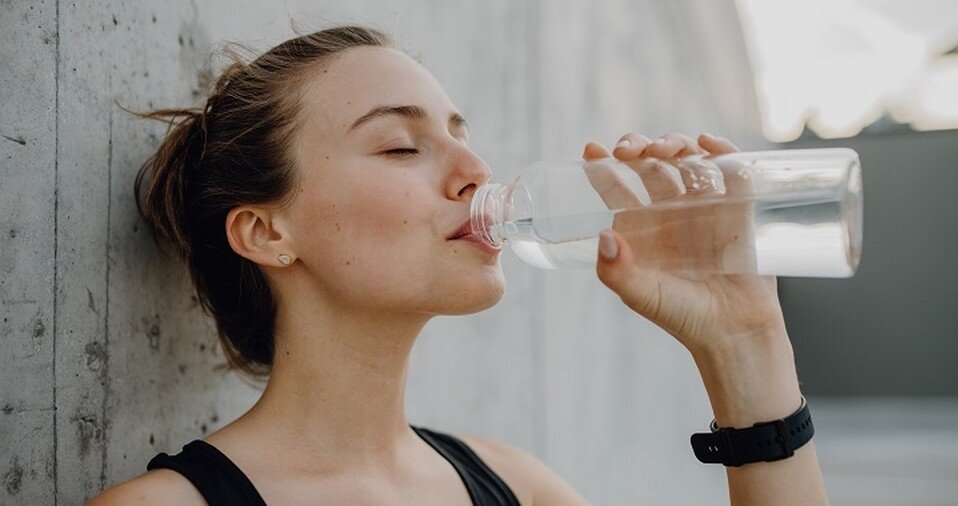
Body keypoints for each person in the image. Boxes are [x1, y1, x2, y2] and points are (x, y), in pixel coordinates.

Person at [88, 26, 827, 505]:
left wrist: (744, 345)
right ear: (266, 230)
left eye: (462, 136)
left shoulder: (518, 488)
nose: (476, 168)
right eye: (401, 146)